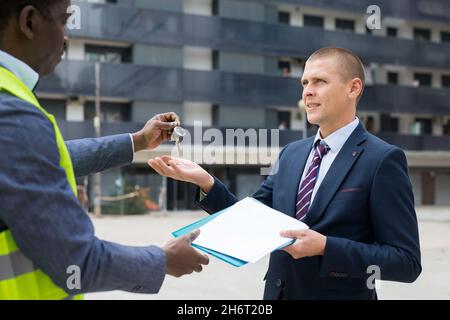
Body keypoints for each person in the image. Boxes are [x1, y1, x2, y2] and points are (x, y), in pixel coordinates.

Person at [149, 47, 422, 300]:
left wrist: (326, 247)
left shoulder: (383, 160)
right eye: (304, 83)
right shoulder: (291, 153)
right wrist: (205, 181)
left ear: (353, 88)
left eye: (319, 82)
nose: (308, 91)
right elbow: (250, 218)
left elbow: (406, 262)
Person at [0, 0, 208, 300]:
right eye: (63, 20)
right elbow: (76, 261)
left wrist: (137, 141)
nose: (66, 36)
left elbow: (53, 158)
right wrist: (163, 260)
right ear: (29, 22)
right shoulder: (12, 111)